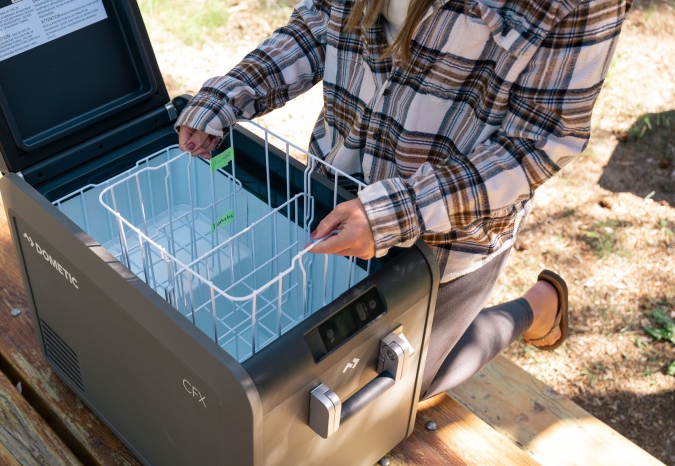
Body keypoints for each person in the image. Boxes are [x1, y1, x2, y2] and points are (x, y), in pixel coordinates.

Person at [175, 0, 629, 398]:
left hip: (446, 238)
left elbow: (540, 141)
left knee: (406, 386)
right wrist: (231, 93)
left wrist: (396, 212)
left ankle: (536, 307)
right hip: (332, 188)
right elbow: (319, 21)